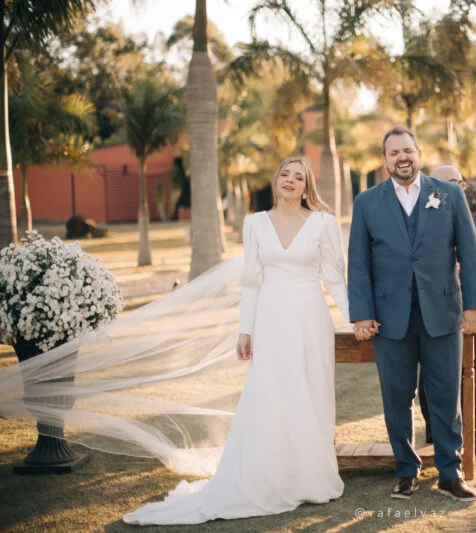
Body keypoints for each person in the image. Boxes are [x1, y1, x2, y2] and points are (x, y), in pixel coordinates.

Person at [123, 156, 351, 525]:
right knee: (271, 396)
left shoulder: (323, 223)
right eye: (284, 175)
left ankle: (312, 477)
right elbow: (252, 281)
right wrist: (246, 329)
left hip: (311, 320)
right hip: (272, 320)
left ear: (308, 186)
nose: (290, 181)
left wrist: (356, 318)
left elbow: (335, 279)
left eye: (298, 177)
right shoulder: (255, 223)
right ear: (275, 180)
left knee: (311, 392)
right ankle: (269, 474)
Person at [348, 126, 476, 502]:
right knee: (396, 396)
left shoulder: (448, 194)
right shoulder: (367, 202)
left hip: (442, 312)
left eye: (407, 150)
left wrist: (474, 305)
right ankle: (406, 470)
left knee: (444, 394)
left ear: (419, 153)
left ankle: (449, 473)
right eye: (394, 152)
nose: (402, 157)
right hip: (389, 318)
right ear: (385, 160)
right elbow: (358, 263)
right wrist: (361, 314)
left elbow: (469, 254)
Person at [417, 165, 476, 458]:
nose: (454, 188)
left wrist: (466, 234)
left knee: (470, 374)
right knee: (429, 375)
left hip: (474, 308)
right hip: (435, 309)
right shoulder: (421, 220)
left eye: (458, 183)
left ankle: (472, 435)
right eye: (446, 183)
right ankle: (433, 437)